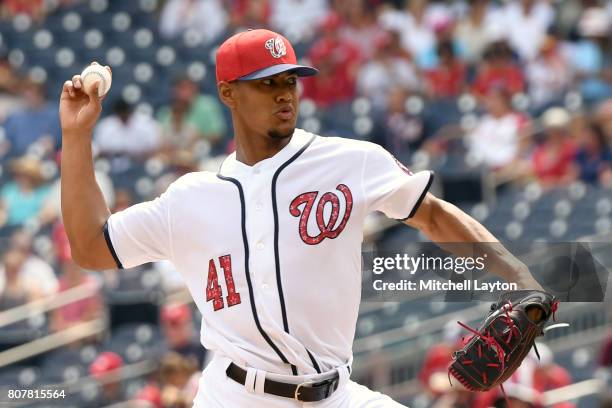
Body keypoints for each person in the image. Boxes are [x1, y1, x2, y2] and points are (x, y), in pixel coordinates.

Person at [59, 29, 542, 407]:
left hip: (337, 394)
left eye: (289, 80)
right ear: (228, 93)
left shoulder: (350, 161)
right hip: (235, 397)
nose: (284, 93)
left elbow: (434, 217)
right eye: (266, 83)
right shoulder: (190, 198)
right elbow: (89, 246)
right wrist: (77, 137)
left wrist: (520, 276)